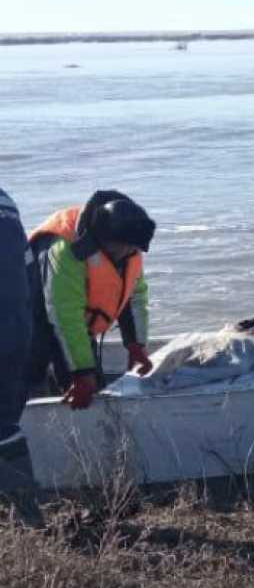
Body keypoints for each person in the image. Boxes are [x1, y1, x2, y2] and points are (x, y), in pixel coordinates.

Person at [24, 190, 157, 411]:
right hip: (32, 315)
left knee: (93, 389)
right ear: (106, 240)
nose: (129, 253)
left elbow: (134, 296)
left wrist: (136, 345)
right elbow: (64, 314)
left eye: (133, 249)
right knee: (31, 374)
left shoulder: (130, 246)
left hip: (77, 323)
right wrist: (82, 373)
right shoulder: (66, 249)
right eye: (124, 248)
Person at [0, 188, 33, 490]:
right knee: (5, 423)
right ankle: (29, 516)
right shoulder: (7, 202)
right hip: (18, 327)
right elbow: (28, 267)